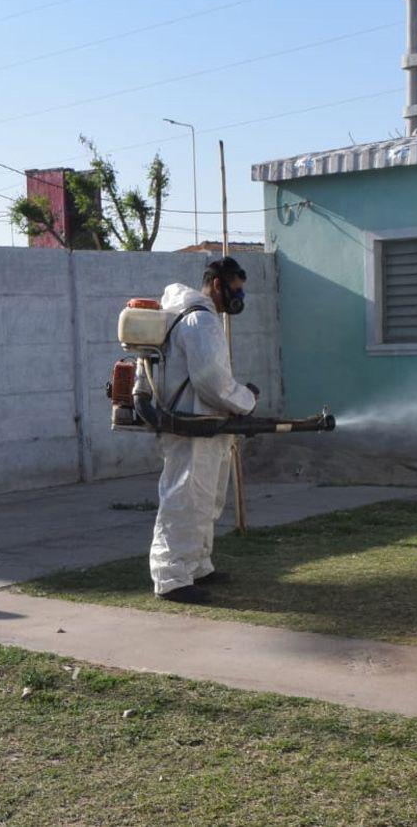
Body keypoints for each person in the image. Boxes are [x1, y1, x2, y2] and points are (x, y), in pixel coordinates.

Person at [148, 258, 259, 604]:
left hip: (204, 424)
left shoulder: (191, 318)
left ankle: (197, 566)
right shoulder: (201, 320)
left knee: (206, 498)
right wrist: (247, 400)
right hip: (193, 424)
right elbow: (212, 381)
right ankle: (171, 578)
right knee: (185, 499)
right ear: (215, 284)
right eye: (234, 289)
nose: (237, 297)